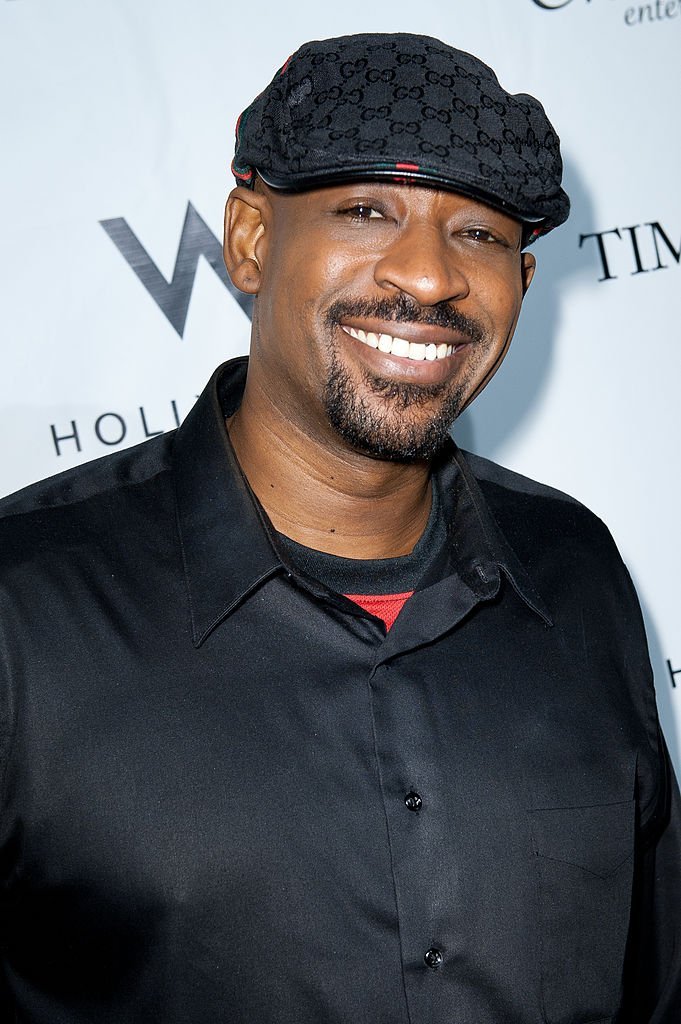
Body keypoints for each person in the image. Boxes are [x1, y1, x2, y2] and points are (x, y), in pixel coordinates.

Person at [0, 31, 678, 1024]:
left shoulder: (575, 567)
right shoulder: (24, 607)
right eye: (367, 210)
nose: (428, 276)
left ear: (523, 285)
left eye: (481, 234)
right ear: (249, 240)